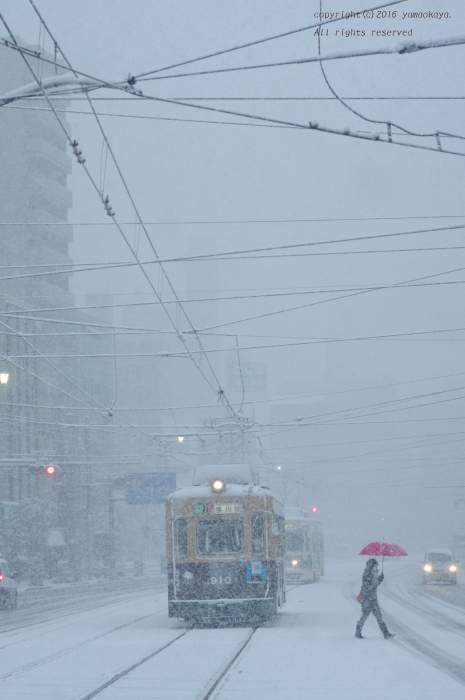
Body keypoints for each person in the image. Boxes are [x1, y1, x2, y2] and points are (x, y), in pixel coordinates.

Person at [355, 558, 394, 639]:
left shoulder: (373, 574)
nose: (376, 568)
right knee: (364, 616)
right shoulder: (366, 574)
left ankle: (386, 633)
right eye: (375, 566)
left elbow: (375, 584)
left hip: (373, 599)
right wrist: (375, 582)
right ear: (371, 566)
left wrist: (380, 578)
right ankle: (357, 632)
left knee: (379, 616)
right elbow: (368, 588)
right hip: (367, 600)